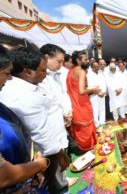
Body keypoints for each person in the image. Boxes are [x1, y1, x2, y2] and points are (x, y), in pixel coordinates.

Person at [0, 45, 70, 193]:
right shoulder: (22, 95)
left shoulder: (30, 85)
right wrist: (50, 159)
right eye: (43, 70)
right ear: (27, 72)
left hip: (34, 158)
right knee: (53, 184)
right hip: (39, 159)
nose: (46, 74)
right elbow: (41, 130)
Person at [0, 45, 48, 192]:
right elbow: (4, 176)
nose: (10, 78)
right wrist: (41, 163)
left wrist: (33, 161)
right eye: (6, 73)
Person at [67, 50, 98, 152]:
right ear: (78, 60)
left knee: (80, 130)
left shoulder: (71, 70)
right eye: (85, 59)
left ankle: (83, 151)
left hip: (74, 105)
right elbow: (81, 91)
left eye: (88, 59)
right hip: (82, 105)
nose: (88, 61)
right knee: (86, 130)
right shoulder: (81, 71)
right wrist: (93, 89)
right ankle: (88, 152)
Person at [87, 61, 107, 127]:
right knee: (95, 109)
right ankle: (96, 124)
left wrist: (104, 92)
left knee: (102, 108)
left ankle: (102, 121)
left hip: (102, 94)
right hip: (94, 95)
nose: (96, 68)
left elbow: (104, 83)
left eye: (97, 66)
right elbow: (91, 86)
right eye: (95, 66)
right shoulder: (89, 75)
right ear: (91, 67)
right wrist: (99, 93)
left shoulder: (101, 73)